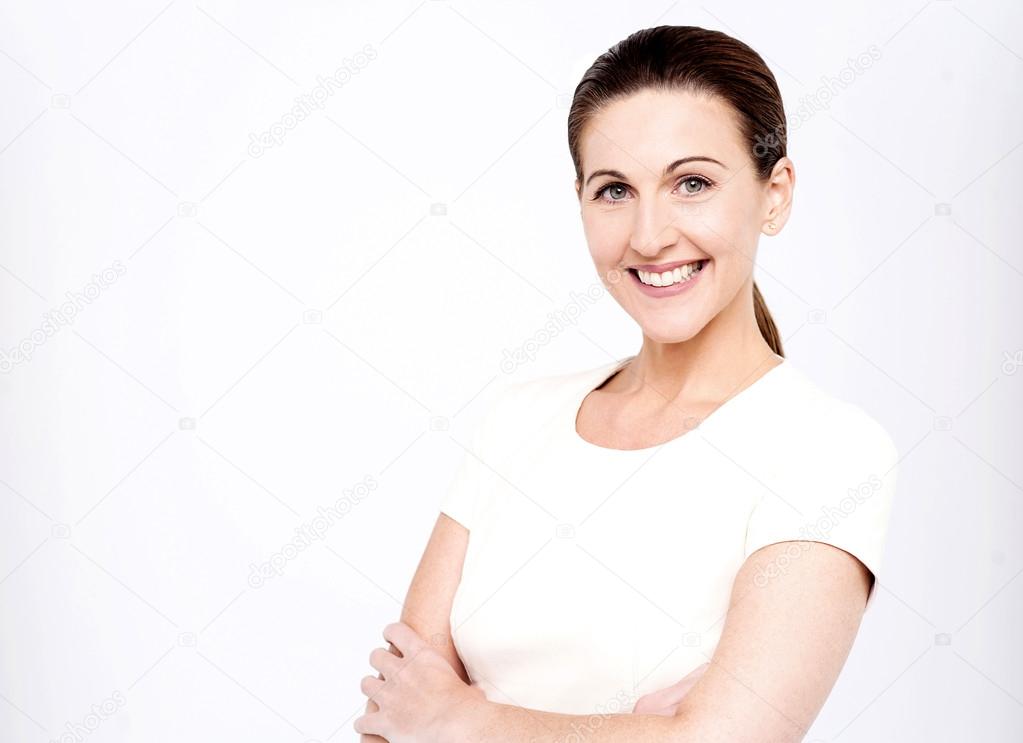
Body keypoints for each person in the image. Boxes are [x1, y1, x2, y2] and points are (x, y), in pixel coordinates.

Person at [356, 24, 900, 742]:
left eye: (692, 183)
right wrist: (638, 727)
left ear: (774, 193)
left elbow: (723, 740)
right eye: (613, 190)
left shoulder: (828, 451)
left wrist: (464, 718)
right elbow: (390, 719)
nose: (648, 236)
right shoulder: (519, 419)